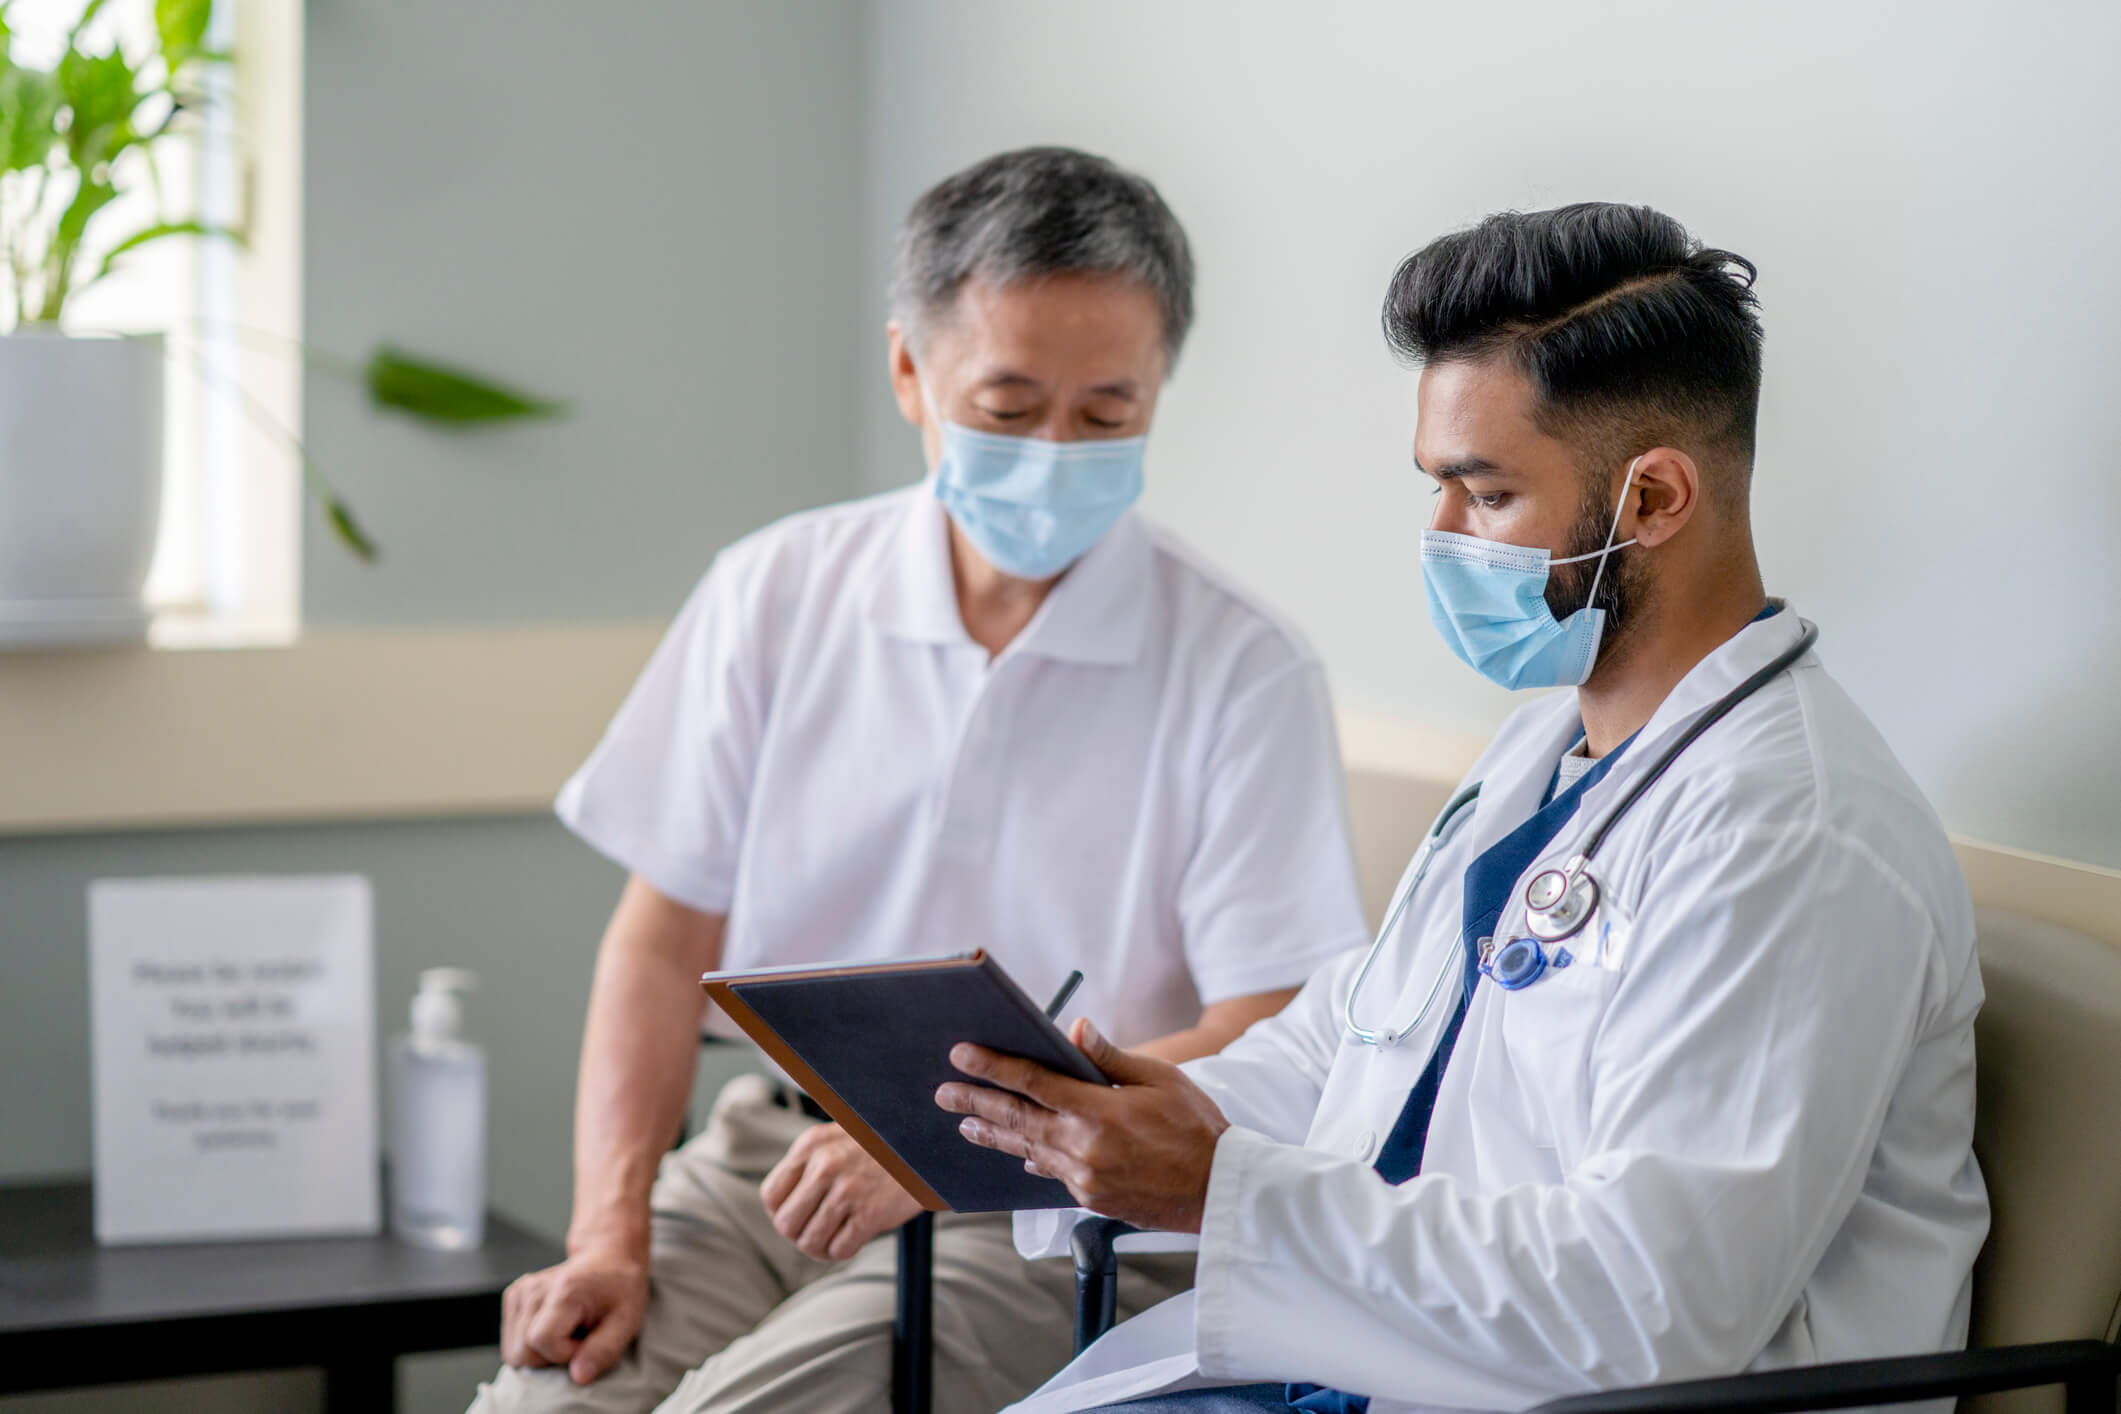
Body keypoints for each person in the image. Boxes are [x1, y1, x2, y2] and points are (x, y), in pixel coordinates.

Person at [938, 203, 1990, 1414]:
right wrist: (1152, 1117)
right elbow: (1363, 1037)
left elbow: (1657, 1310)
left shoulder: (1794, 838)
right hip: (1375, 1363)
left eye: (1483, 494)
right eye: (1437, 486)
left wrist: (1221, 1187)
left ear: (1653, 500)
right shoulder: (1549, 746)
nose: (1439, 536)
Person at [469, 147, 1371, 1414]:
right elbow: (660, 949)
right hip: (770, 1156)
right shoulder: (774, 594)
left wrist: (949, 1143)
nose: (1058, 450)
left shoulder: (1240, 667)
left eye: (1108, 414)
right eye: (1007, 407)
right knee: (543, 1401)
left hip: (1052, 1210)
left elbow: (1274, 1019)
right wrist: (608, 1231)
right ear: (910, 371)